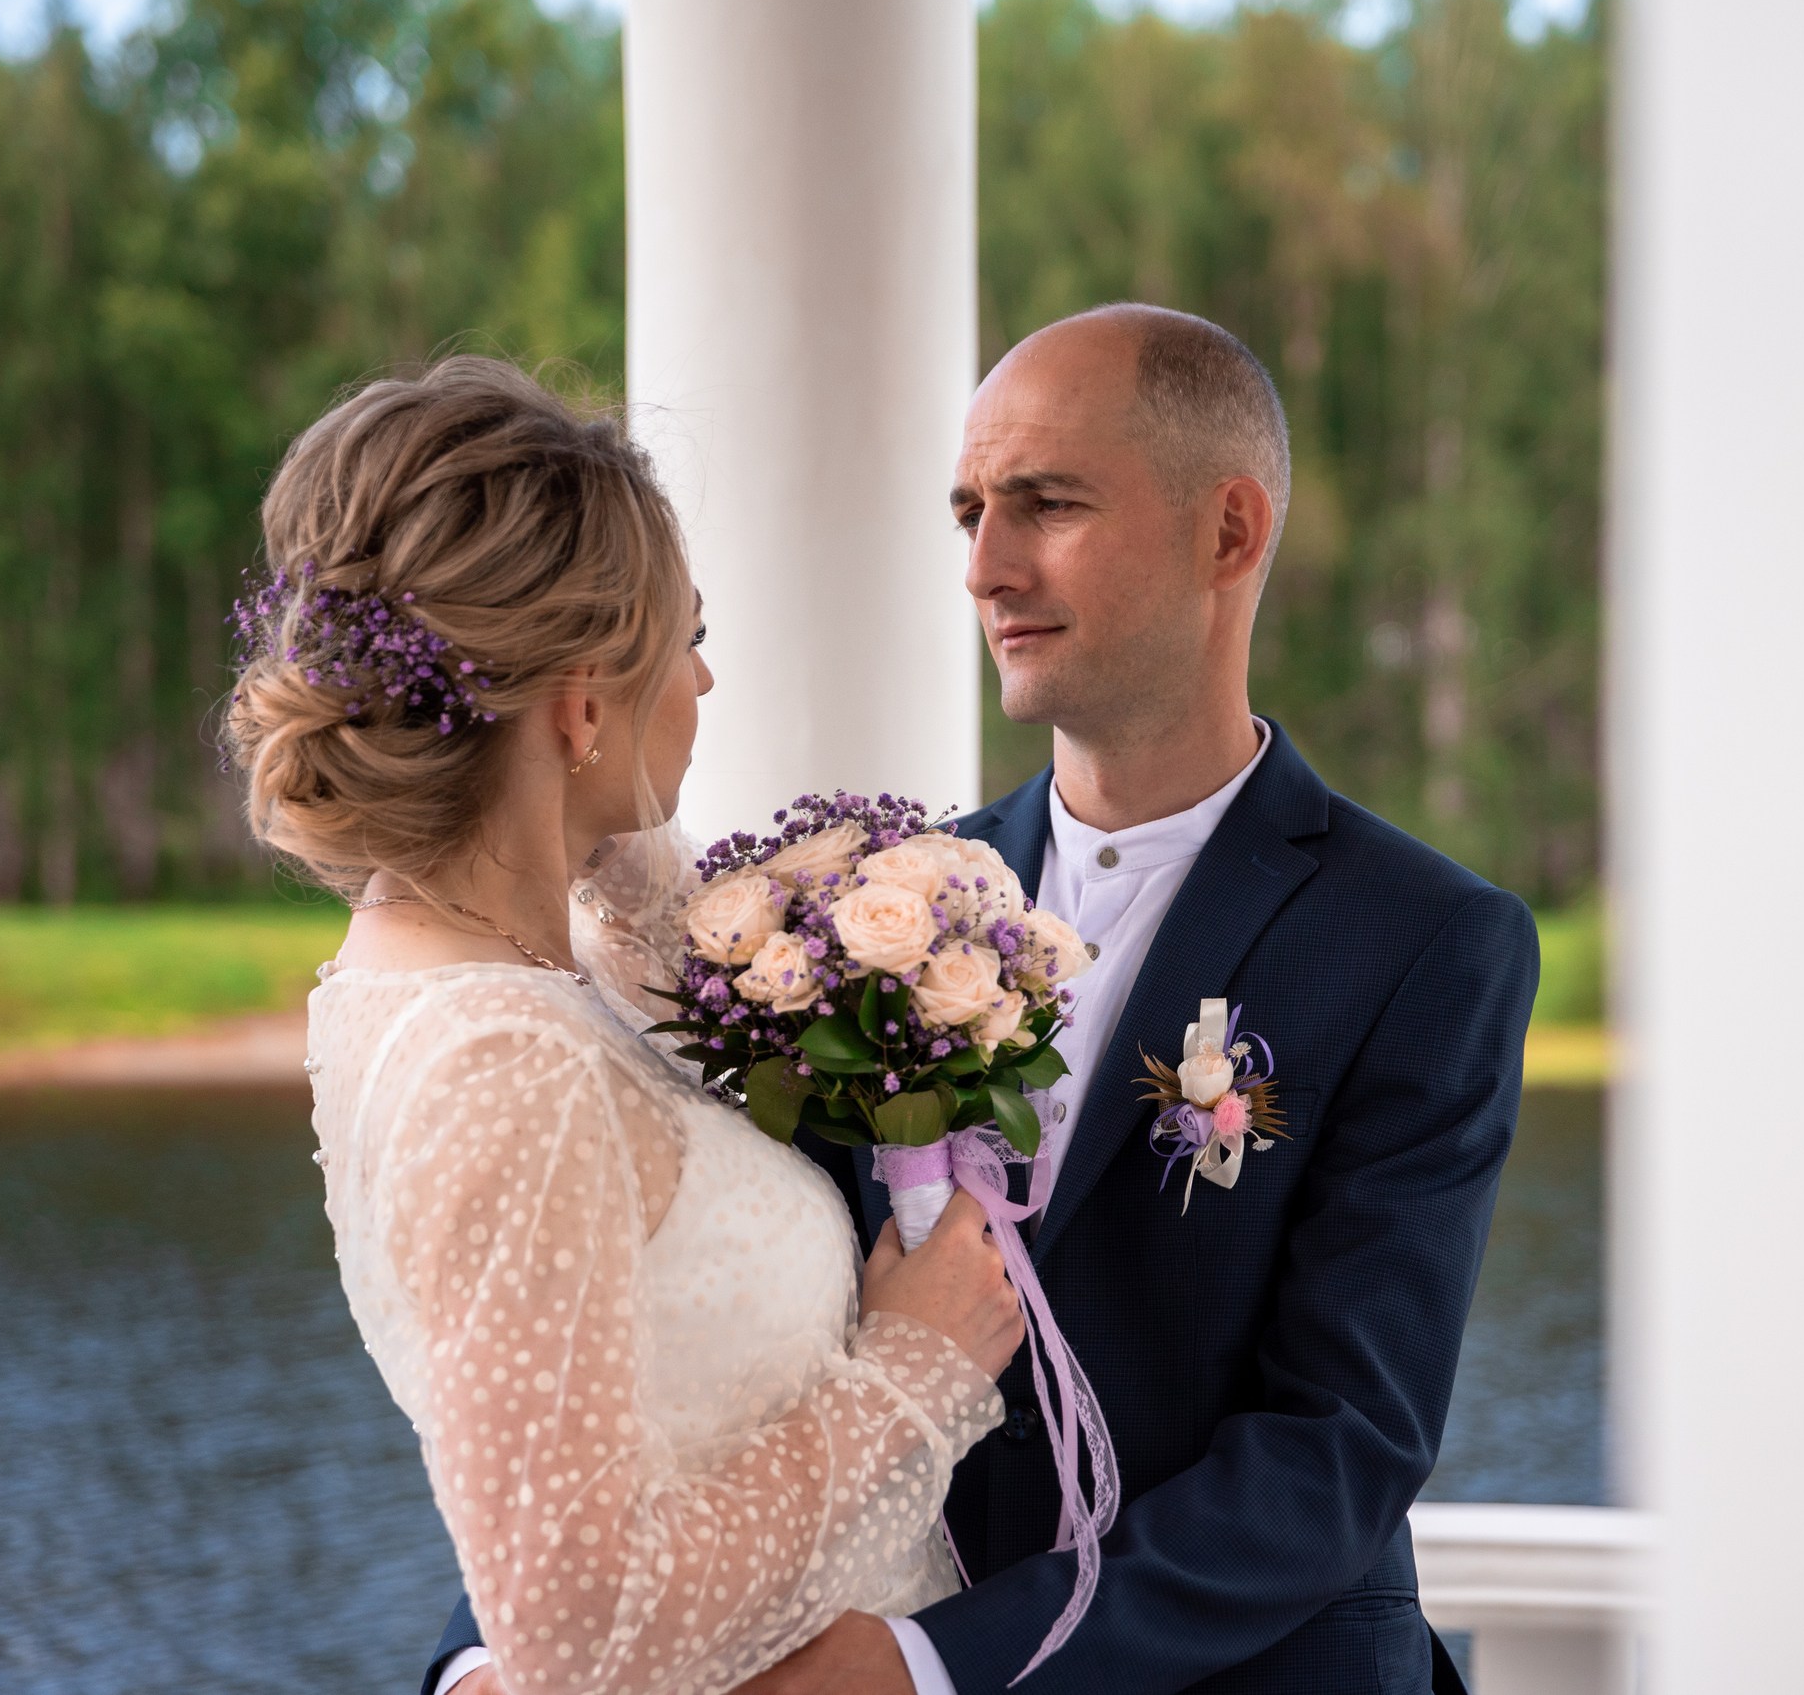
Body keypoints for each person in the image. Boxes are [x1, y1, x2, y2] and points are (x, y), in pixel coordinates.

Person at [431, 306, 1539, 1694]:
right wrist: (485, 1657)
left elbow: (1337, 1452)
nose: (985, 565)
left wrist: (927, 1669)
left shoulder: (1426, 942)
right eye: (968, 512)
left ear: (1230, 534)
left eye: (1047, 504)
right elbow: (692, 1316)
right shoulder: (849, 915)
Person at [226, 356, 1026, 1695]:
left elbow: (657, 930)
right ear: (583, 702)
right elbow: (583, 1637)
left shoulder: (536, 951)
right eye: (690, 635)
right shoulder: (503, 1069)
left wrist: (593, 833)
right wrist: (911, 1369)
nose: (707, 683)